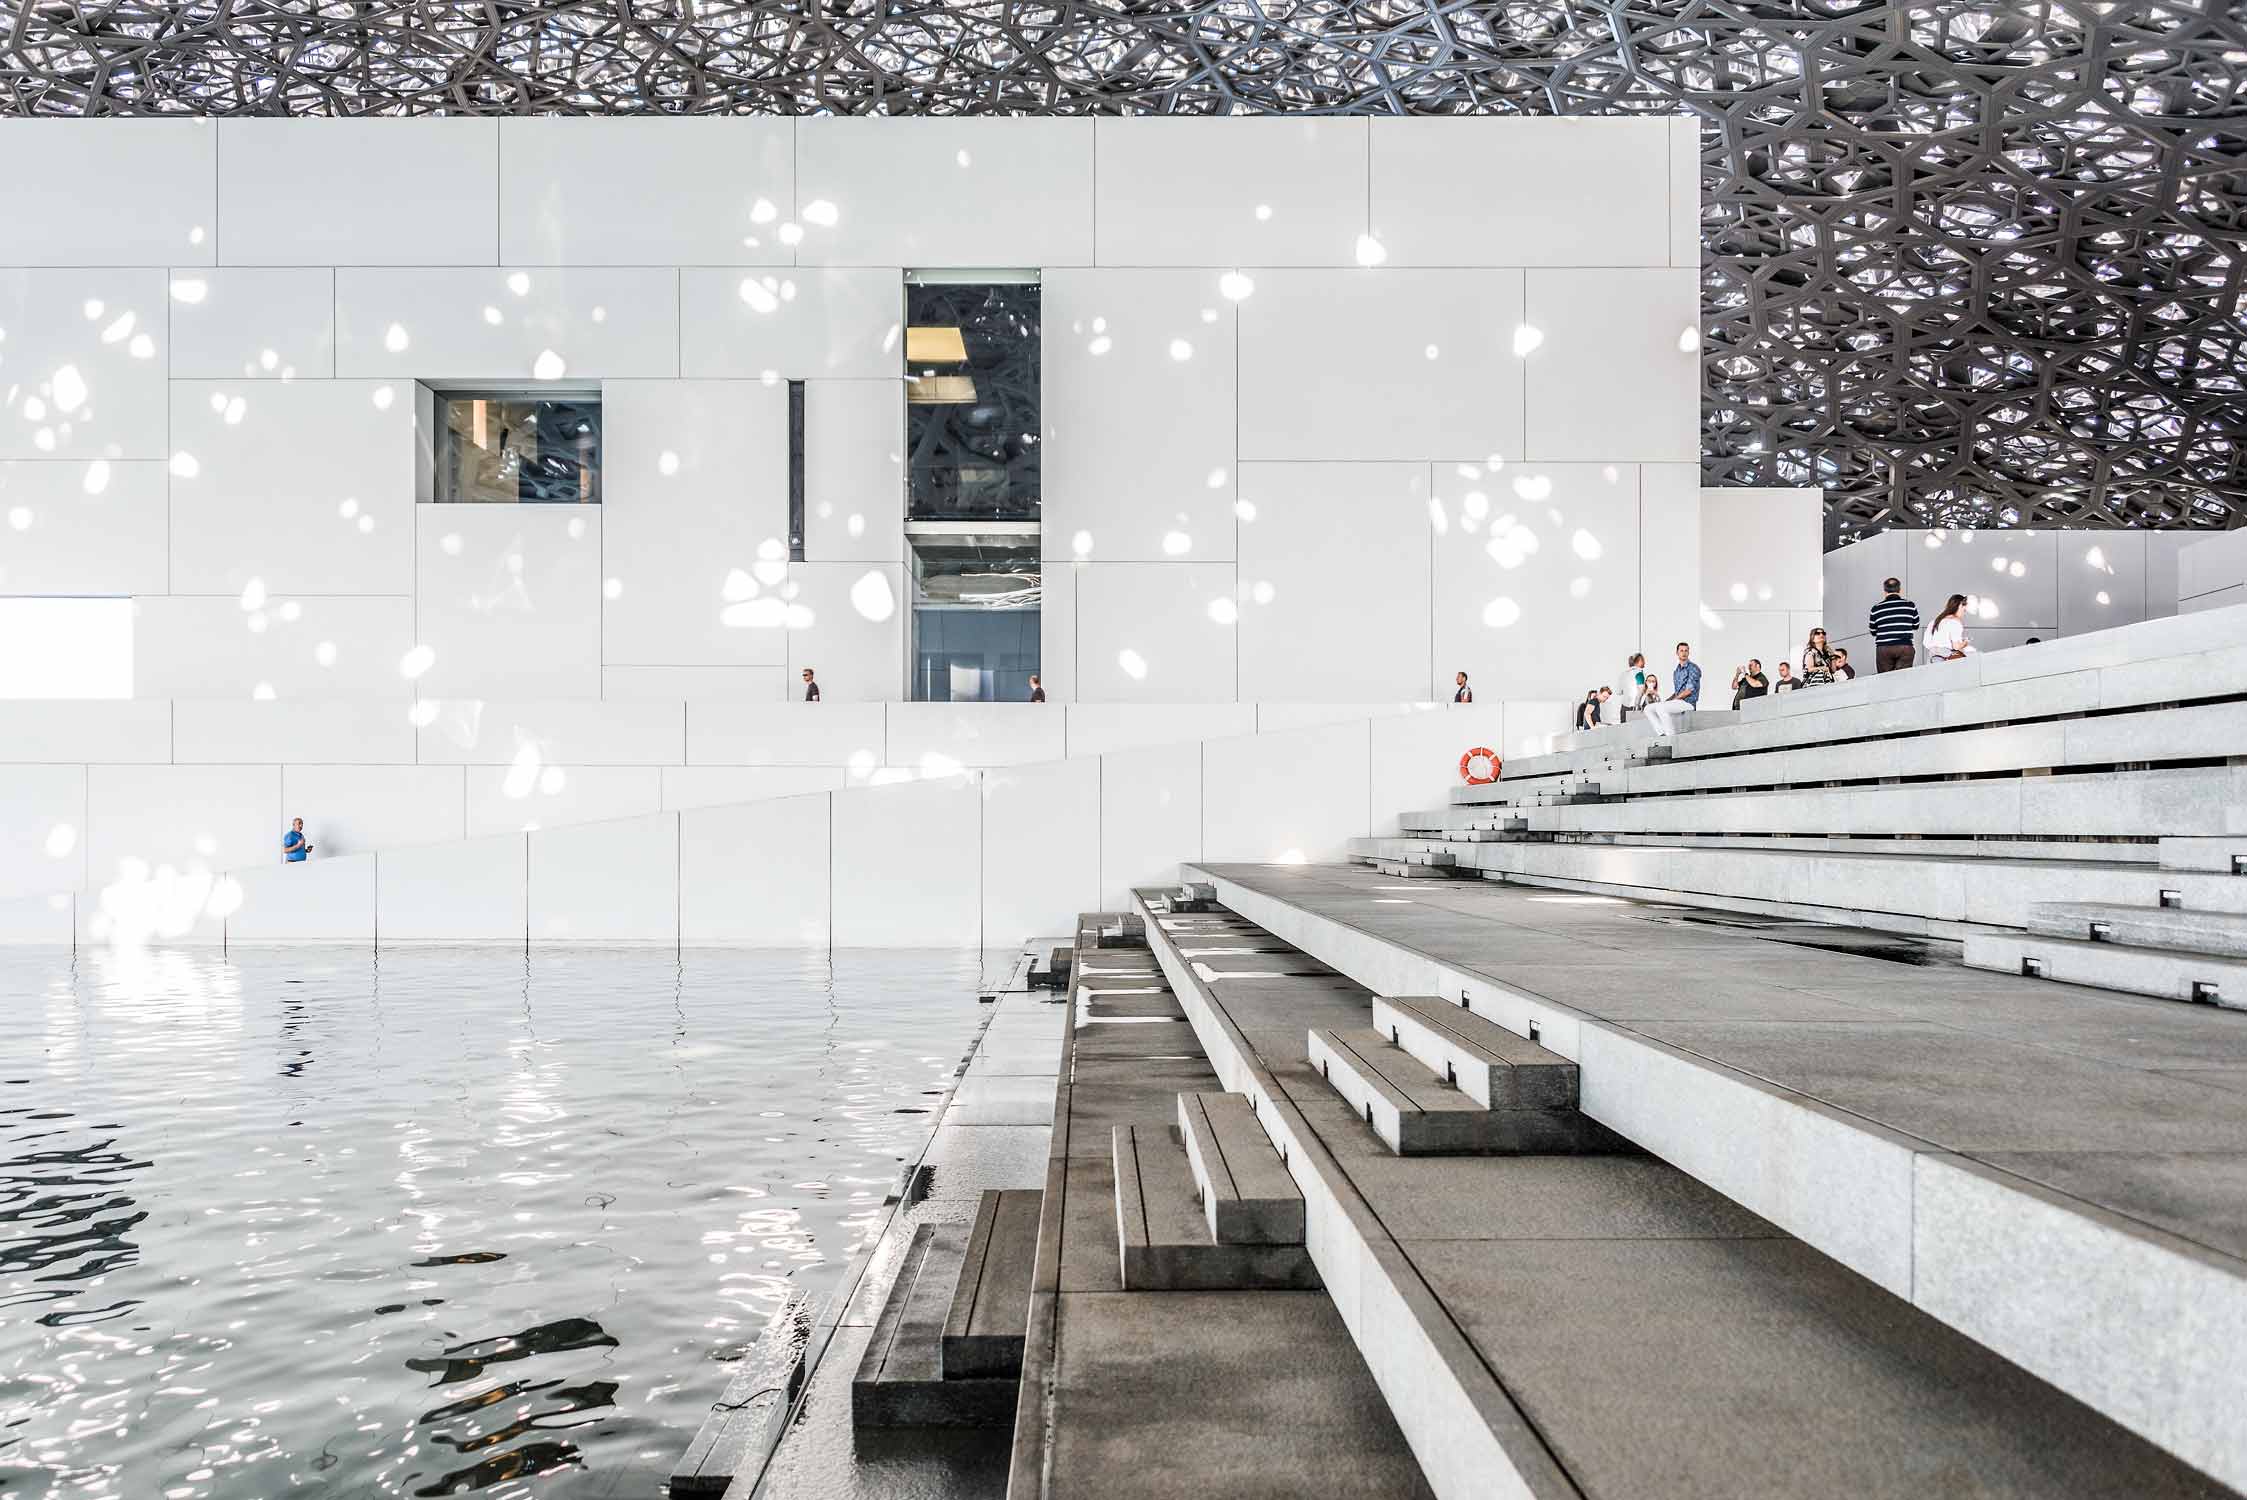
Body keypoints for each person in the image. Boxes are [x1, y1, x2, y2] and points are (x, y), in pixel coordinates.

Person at [1641, 641, 1700, 736]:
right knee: (1648, 708)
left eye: (1686, 651)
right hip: (1678, 702)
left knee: (1661, 707)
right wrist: (1667, 701)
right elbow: (1677, 692)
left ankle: (1670, 737)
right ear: (1677, 653)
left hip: (1688, 703)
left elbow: (1689, 690)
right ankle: (1662, 734)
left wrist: (1673, 700)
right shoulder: (1676, 671)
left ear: (1688, 652)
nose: (1684, 653)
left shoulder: (1693, 668)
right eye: (1681, 651)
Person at [1870, 577, 1920, 673]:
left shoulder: (1876, 608)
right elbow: (1916, 625)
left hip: (1884, 649)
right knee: (1903, 678)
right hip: (1905, 646)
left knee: (1885, 679)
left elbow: (1873, 631)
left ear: (1885, 591)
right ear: (1899, 590)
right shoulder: (1910, 605)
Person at [1925, 594, 1972, 661]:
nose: (1963, 613)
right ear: (1960, 606)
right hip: (1946, 658)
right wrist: (1965, 642)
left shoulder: (1934, 621)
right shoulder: (1955, 622)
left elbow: (1926, 643)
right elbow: (1956, 647)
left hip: (1932, 657)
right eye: (1964, 610)